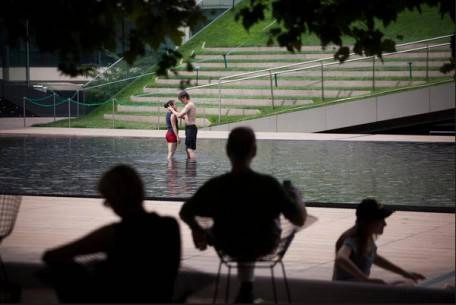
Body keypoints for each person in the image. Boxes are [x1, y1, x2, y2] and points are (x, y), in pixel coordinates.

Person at [179, 126, 307, 303]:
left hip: (227, 244)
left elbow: (185, 211)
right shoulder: (268, 185)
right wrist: (297, 197)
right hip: (265, 244)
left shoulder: (217, 185)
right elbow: (299, 219)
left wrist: (198, 230)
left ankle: (246, 289)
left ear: (227, 151)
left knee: (239, 229)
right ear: (254, 151)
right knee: (251, 229)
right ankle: (247, 289)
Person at [41, 164, 181, 303]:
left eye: (106, 199)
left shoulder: (114, 233)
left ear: (113, 200)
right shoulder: (170, 226)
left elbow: (52, 255)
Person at [333, 198, 425, 285]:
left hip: (358, 288)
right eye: (381, 220)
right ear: (369, 222)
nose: (385, 224)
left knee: (406, 283)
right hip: (347, 291)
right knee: (405, 286)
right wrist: (365, 279)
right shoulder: (354, 238)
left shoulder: (366, 237)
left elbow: (374, 257)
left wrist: (404, 273)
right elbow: (341, 258)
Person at [168, 90, 197, 159]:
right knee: (187, 148)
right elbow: (184, 117)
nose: (181, 102)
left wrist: (172, 110)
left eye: (181, 100)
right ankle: (189, 165)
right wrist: (176, 111)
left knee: (190, 149)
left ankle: (192, 166)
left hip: (191, 128)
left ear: (184, 97)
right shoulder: (189, 105)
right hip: (189, 128)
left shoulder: (189, 105)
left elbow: (179, 115)